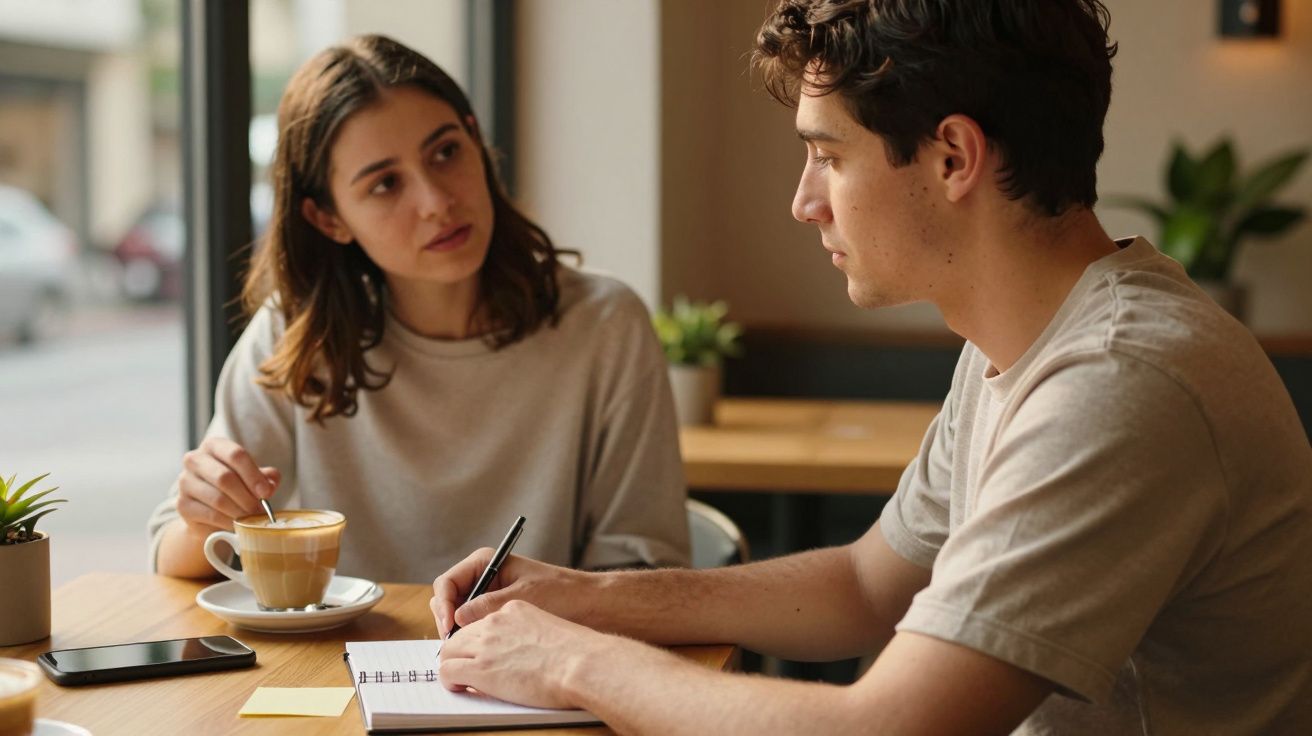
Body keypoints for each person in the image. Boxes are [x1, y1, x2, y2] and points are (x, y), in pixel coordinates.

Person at [428, 1, 1312, 733]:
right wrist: (591, 598)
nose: (804, 201)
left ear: (954, 157)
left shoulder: (1118, 381)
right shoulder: (1023, 338)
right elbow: (865, 585)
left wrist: (571, 661)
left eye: (828, 155)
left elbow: (888, 727)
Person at [148, 34, 690, 584]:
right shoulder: (298, 336)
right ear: (328, 219)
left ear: (476, 141)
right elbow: (171, 555)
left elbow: (645, 562)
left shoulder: (605, 325)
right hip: (342, 643)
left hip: (540, 639)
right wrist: (207, 515)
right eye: (386, 184)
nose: (436, 202)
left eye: (446, 152)